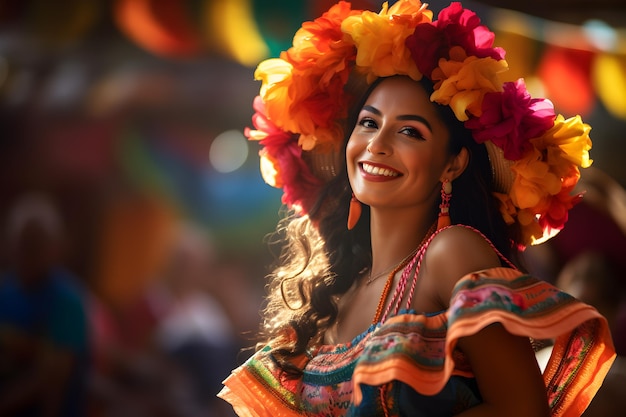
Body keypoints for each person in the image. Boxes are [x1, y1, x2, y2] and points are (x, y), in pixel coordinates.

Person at [218, 1, 616, 416]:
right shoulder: (336, 294)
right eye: (369, 123)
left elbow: (521, 410)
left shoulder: (451, 252)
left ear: (452, 163)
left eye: (409, 131)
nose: (377, 144)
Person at [0, 192, 90, 417]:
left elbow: (51, 378)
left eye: (37, 244)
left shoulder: (67, 300)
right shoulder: (5, 291)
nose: (28, 253)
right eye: (23, 243)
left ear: (56, 248)